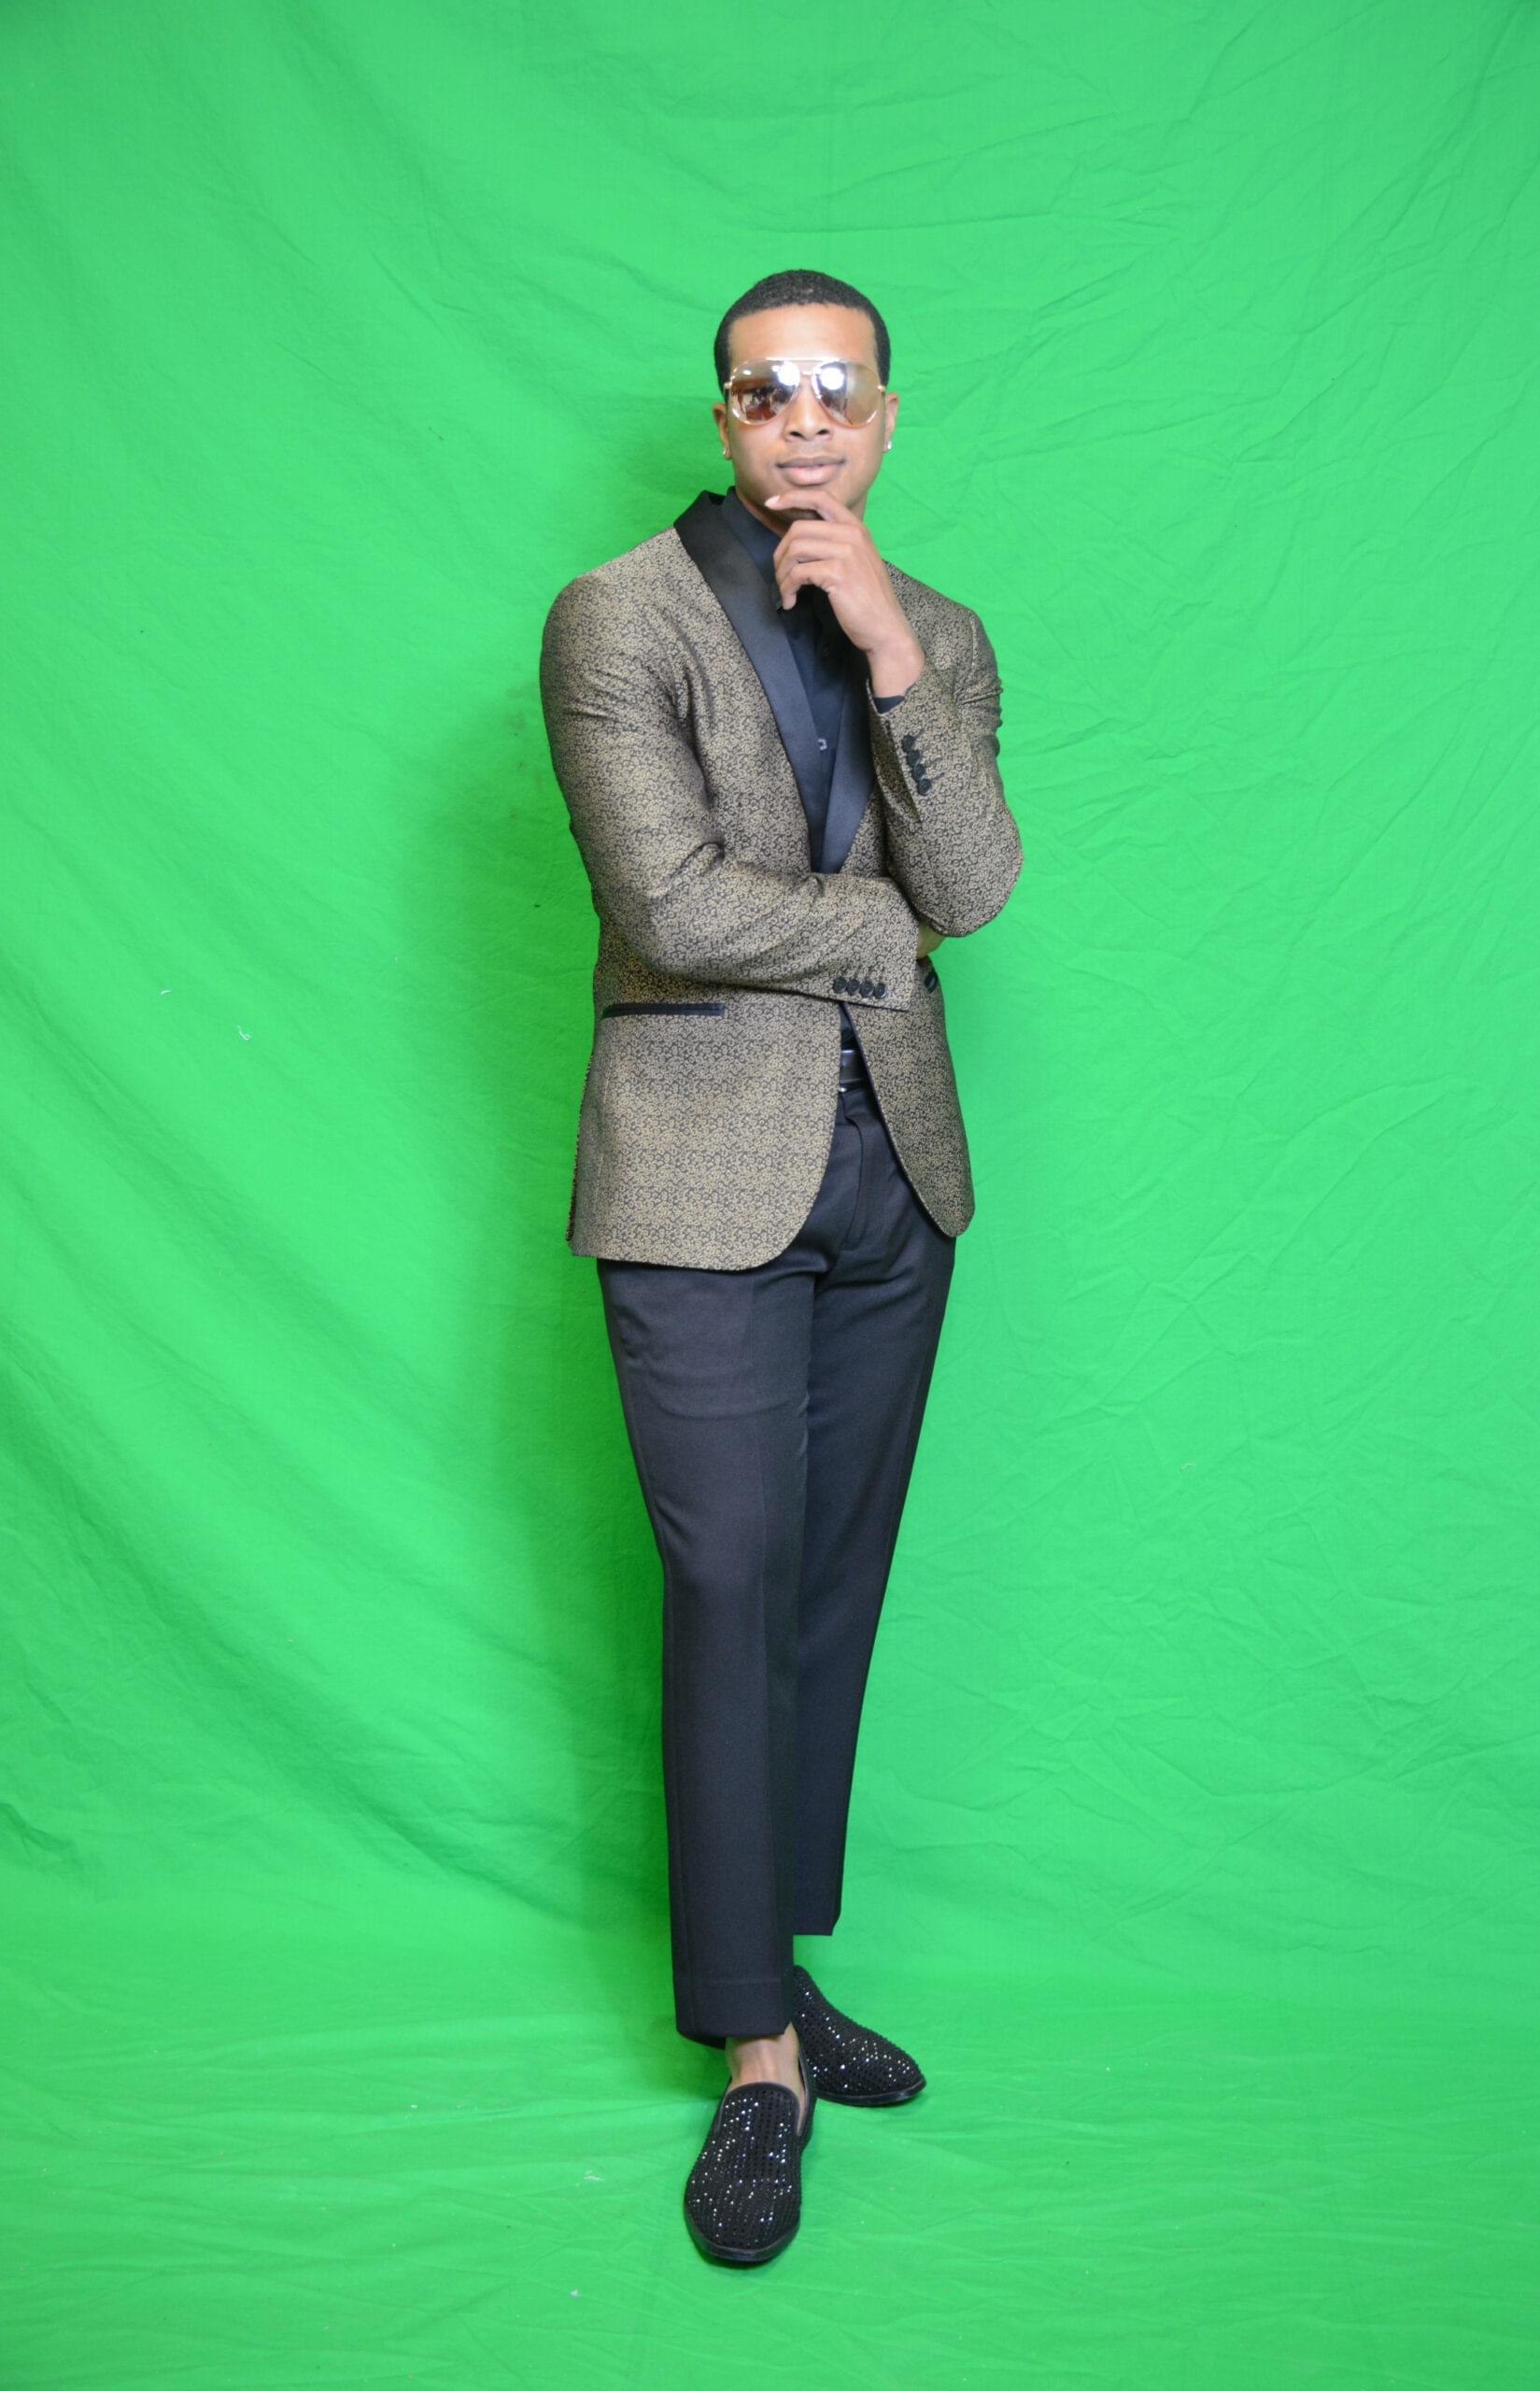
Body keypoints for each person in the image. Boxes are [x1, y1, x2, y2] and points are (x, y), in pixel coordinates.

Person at [538, 266, 1023, 2264]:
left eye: (838, 388)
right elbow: (664, 900)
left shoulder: (944, 631)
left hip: (892, 1176)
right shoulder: (616, 616)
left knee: (824, 1590)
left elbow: (974, 881)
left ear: (887, 417)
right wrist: (873, 931)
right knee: (729, 1579)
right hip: (695, 1179)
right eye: (765, 390)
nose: (804, 418)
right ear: (723, 417)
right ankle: (752, 2057)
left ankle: (780, 1970)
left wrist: (893, 655)